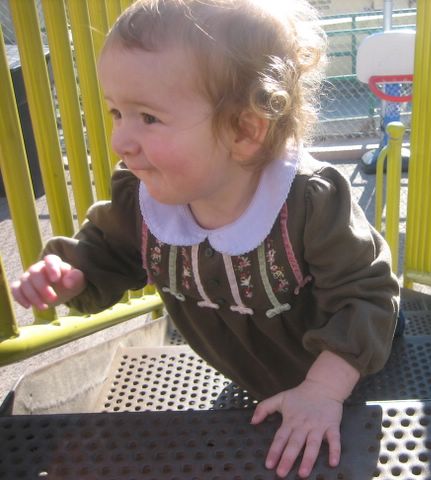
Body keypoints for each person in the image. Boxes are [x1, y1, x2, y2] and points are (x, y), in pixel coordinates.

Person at [11, 0, 399, 477]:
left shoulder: (308, 203)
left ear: (245, 131)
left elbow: (367, 298)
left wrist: (322, 391)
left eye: (148, 117)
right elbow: (108, 250)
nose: (120, 141)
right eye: (117, 112)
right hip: (257, 375)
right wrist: (74, 273)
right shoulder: (144, 200)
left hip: (350, 373)